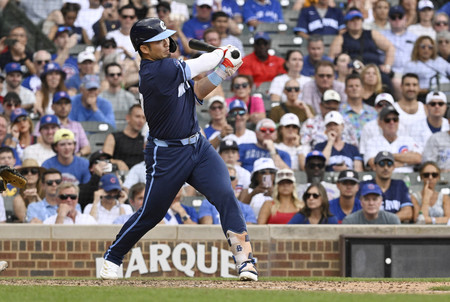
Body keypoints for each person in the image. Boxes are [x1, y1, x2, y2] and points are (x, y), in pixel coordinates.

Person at [100, 18, 258, 281]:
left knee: (226, 196)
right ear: (144, 48)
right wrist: (221, 54)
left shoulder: (170, 68)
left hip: (198, 145)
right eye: (157, 40)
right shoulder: (154, 71)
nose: (165, 42)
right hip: (167, 153)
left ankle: (245, 260)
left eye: (165, 36)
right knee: (151, 214)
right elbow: (197, 65)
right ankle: (113, 257)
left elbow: (197, 92)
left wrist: (223, 71)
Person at [329, 9, 395, 83]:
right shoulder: (341, 38)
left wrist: (387, 66)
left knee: (385, 78)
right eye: (352, 20)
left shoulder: (372, 33)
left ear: (362, 21)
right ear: (347, 23)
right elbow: (332, 58)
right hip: (352, 71)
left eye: (358, 19)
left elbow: (390, 47)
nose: (356, 22)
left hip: (373, 69)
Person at [358, 151, 413, 222]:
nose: (386, 168)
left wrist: (385, 221)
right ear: (374, 167)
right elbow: (357, 212)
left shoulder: (400, 185)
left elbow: (408, 213)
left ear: (393, 167)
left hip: (394, 230)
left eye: (389, 164)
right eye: (382, 164)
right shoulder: (364, 185)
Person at [364, 105, 422, 173]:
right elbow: (373, 164)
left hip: (407, 180)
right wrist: (405, 160)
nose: (392, 123)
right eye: (387, 120)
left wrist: (386, 157)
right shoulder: (372, 142)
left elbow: (418, 158)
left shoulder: (408, 140)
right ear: (380, 123)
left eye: (395, 119)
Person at [380, 5, 417, 99]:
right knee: (397, 81)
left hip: (412, 70)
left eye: (400, 17)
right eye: (393, 17)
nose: (397, 20)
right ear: (388, 19)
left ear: (405, 18)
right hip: (392, 72)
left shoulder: (414, 37)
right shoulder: (381, 35)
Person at [102, 104, 145, 170]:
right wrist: (118, 162)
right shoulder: (113, 137)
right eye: (137, 116)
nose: (141, 121)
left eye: (144, 118)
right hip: (117, 175)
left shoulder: (145, 140)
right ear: (128, 118)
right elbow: (104, 160)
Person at [340, 74, 378, 141]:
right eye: (350, 86)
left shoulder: (373, 112)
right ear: (345, 90)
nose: (354, 88)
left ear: (363, 89)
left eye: (357, 86)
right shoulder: (339, 111)